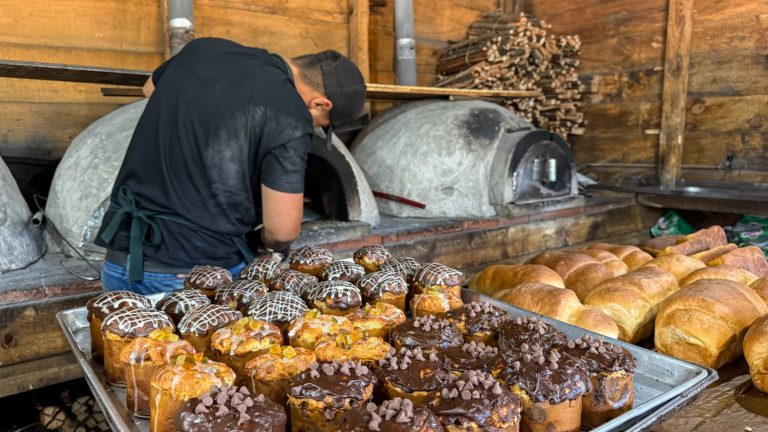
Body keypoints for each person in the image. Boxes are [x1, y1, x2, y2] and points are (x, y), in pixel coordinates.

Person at [95, 37, 366, 294]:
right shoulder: (291, 115)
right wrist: (266, 243)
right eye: (321, 124)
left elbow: (150, 88)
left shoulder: (204, 49)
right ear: (320, 103)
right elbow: (282, 229)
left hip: (120, 261)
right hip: (191, 278)